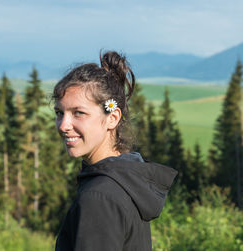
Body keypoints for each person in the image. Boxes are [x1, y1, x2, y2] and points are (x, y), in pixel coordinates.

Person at [53, 51, 177, 251]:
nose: (63, 125)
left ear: (112, 117)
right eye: (59, 113)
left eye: (79, 113)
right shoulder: (126, 180)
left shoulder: (100, 197)